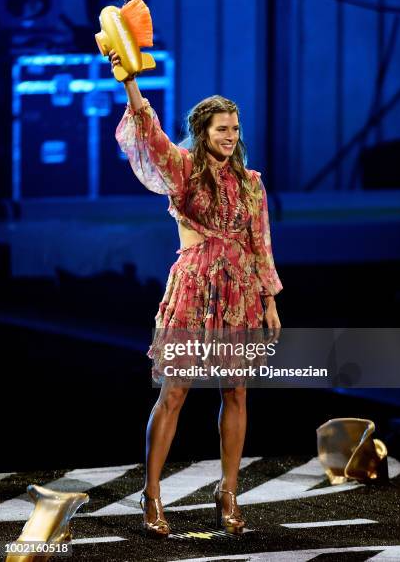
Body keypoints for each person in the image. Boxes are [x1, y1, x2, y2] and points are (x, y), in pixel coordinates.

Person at [110, 49, 283, 538]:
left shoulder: (252, 185)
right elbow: (151, 135)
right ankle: (152, 493)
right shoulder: (183, 170)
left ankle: (227, 492)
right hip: (193, 287)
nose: (230, 137)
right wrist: (129, 82)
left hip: (240, 291)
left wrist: (270, 300)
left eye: (234, 129)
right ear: (203, 131)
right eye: (220, 129)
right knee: (176, 391)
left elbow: (261, 243)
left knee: (236, 392)